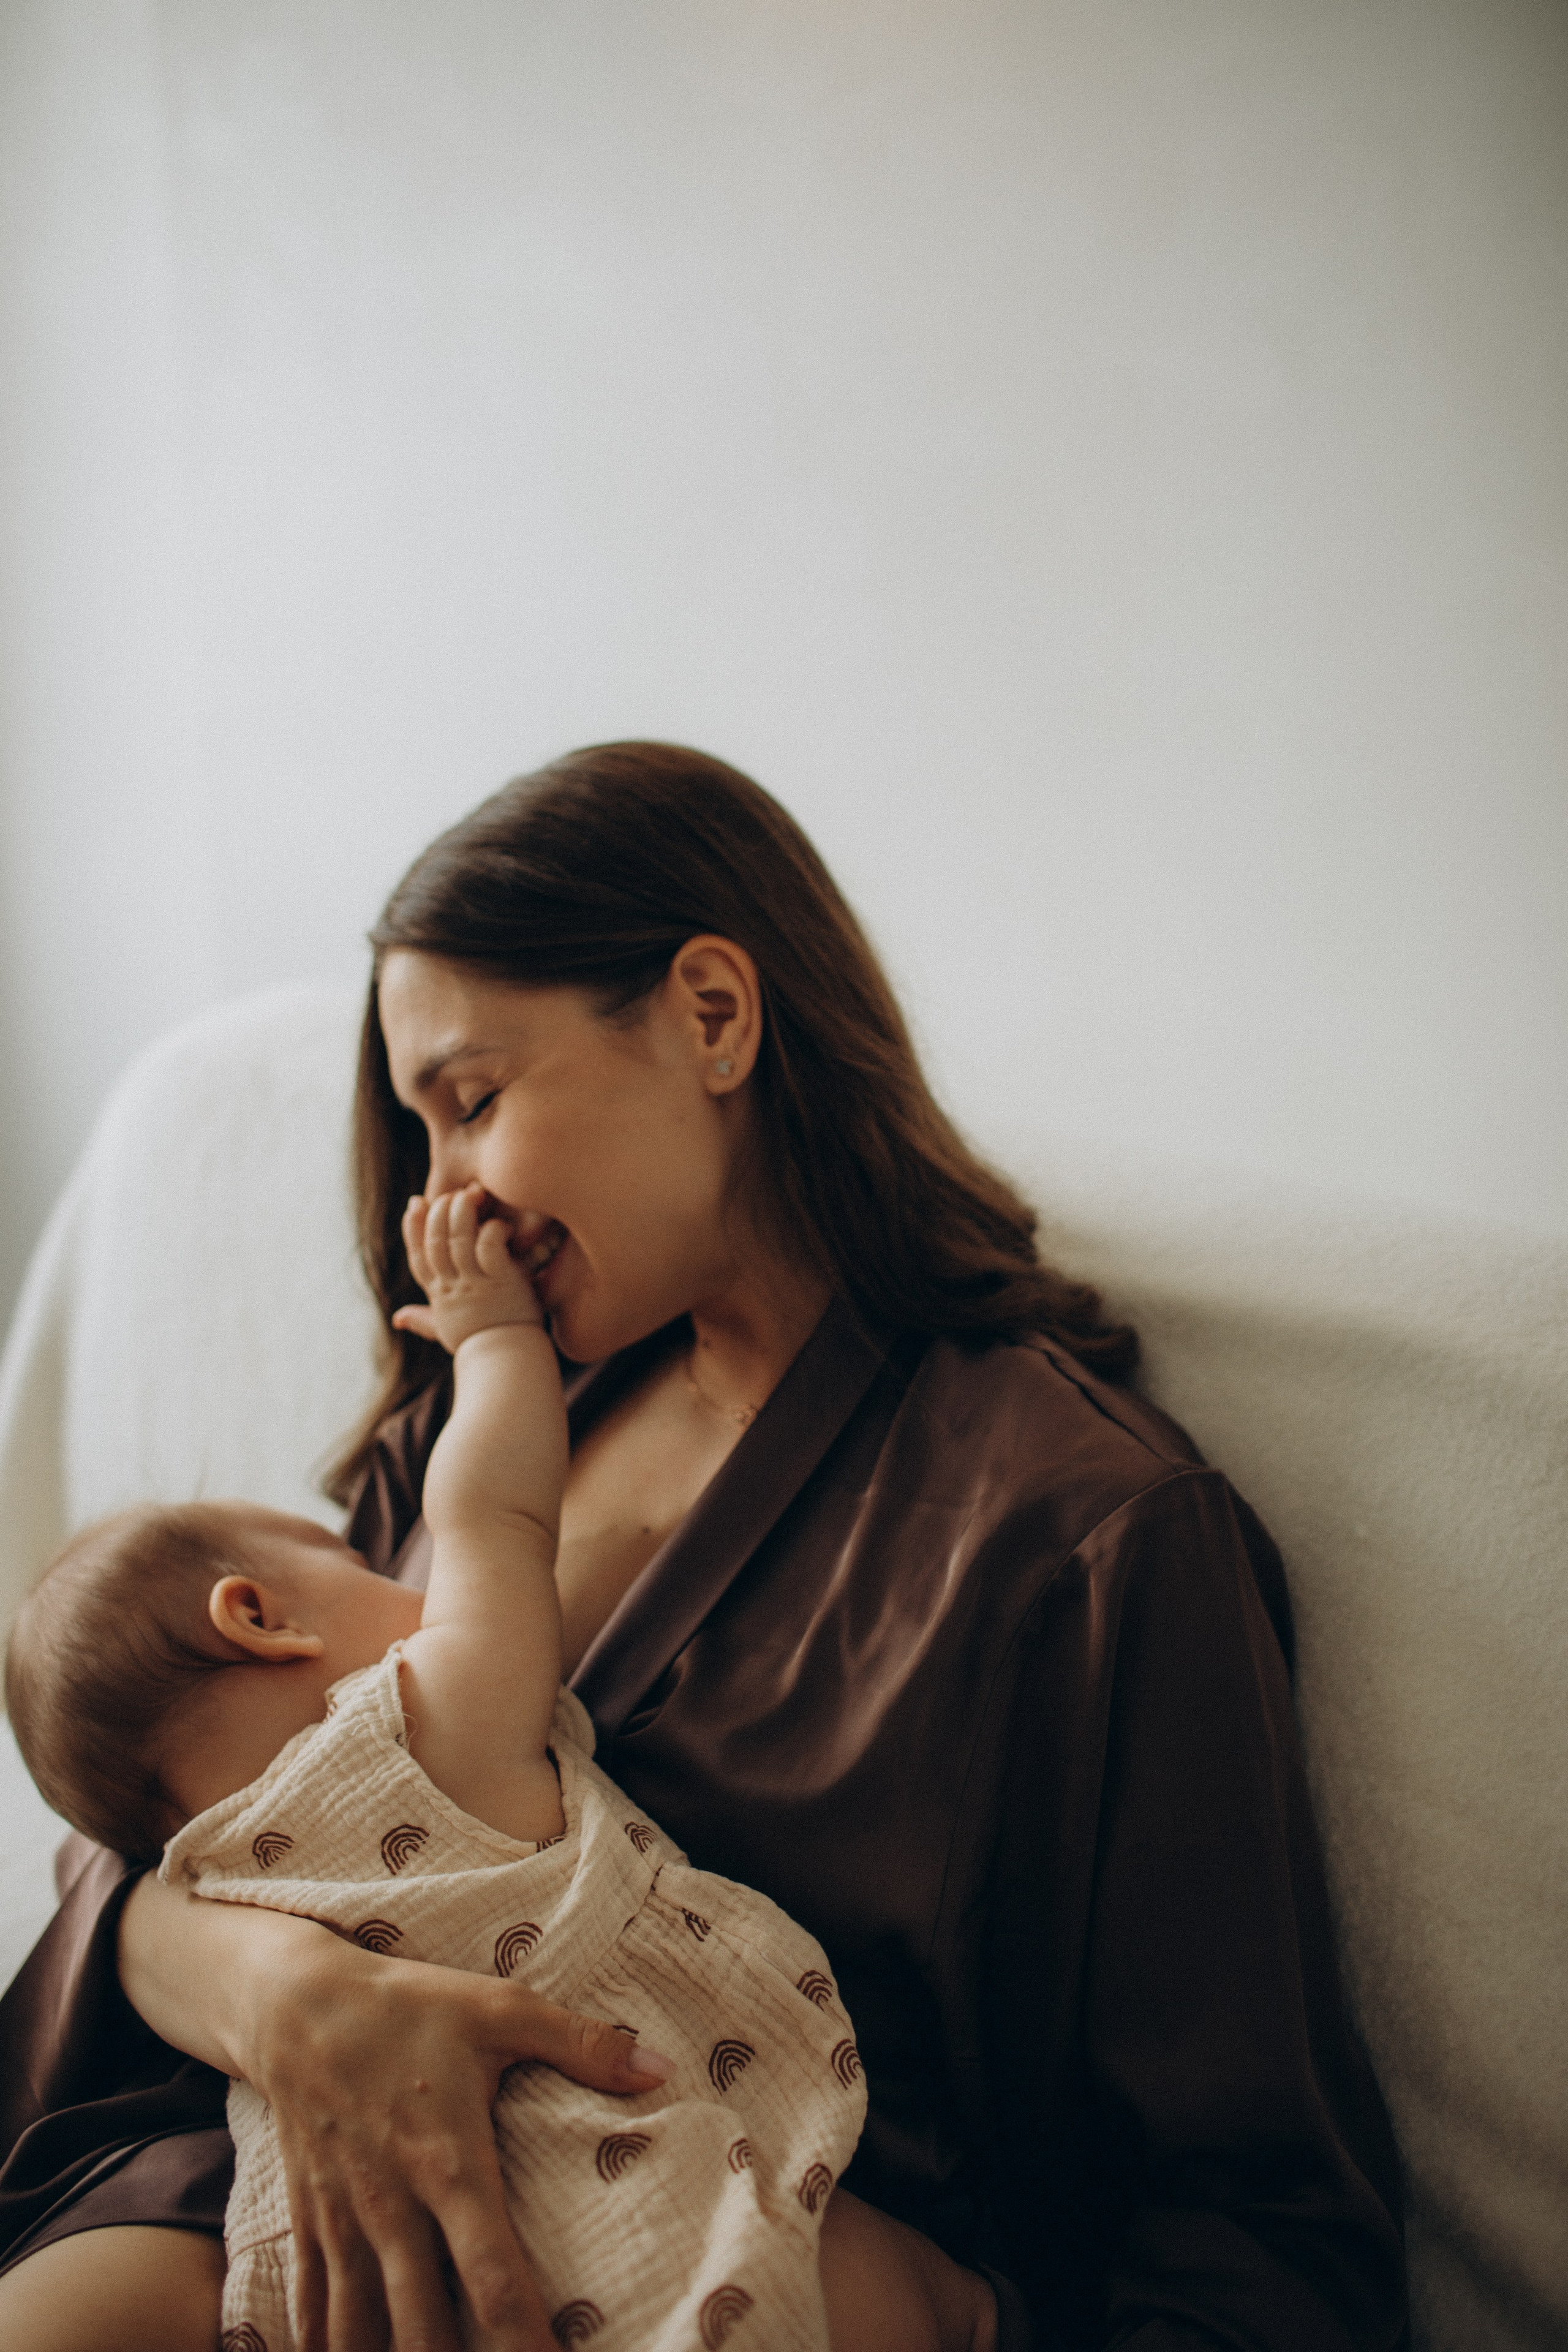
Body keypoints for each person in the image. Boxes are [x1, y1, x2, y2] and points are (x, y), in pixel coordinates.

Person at [0, 742, 1407, 2352]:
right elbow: (199, 1820)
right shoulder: (480, 1417)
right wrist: (284, 2000)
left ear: (715, 1016)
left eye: (473, 1102)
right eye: (420, 1129)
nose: (440, 1196)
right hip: (281, 2229)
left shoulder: (1081, 1549)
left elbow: (1259, 2232)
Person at [7, 1177, 995, 2352]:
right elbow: (494, 1514)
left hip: (323, 2264)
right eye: (352, 1563)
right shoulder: (423, 1736)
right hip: (624, 2194)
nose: (407, 1581)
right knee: (905, 2292)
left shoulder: (211, 1868)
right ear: (262, 1619)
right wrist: (496, 1343)